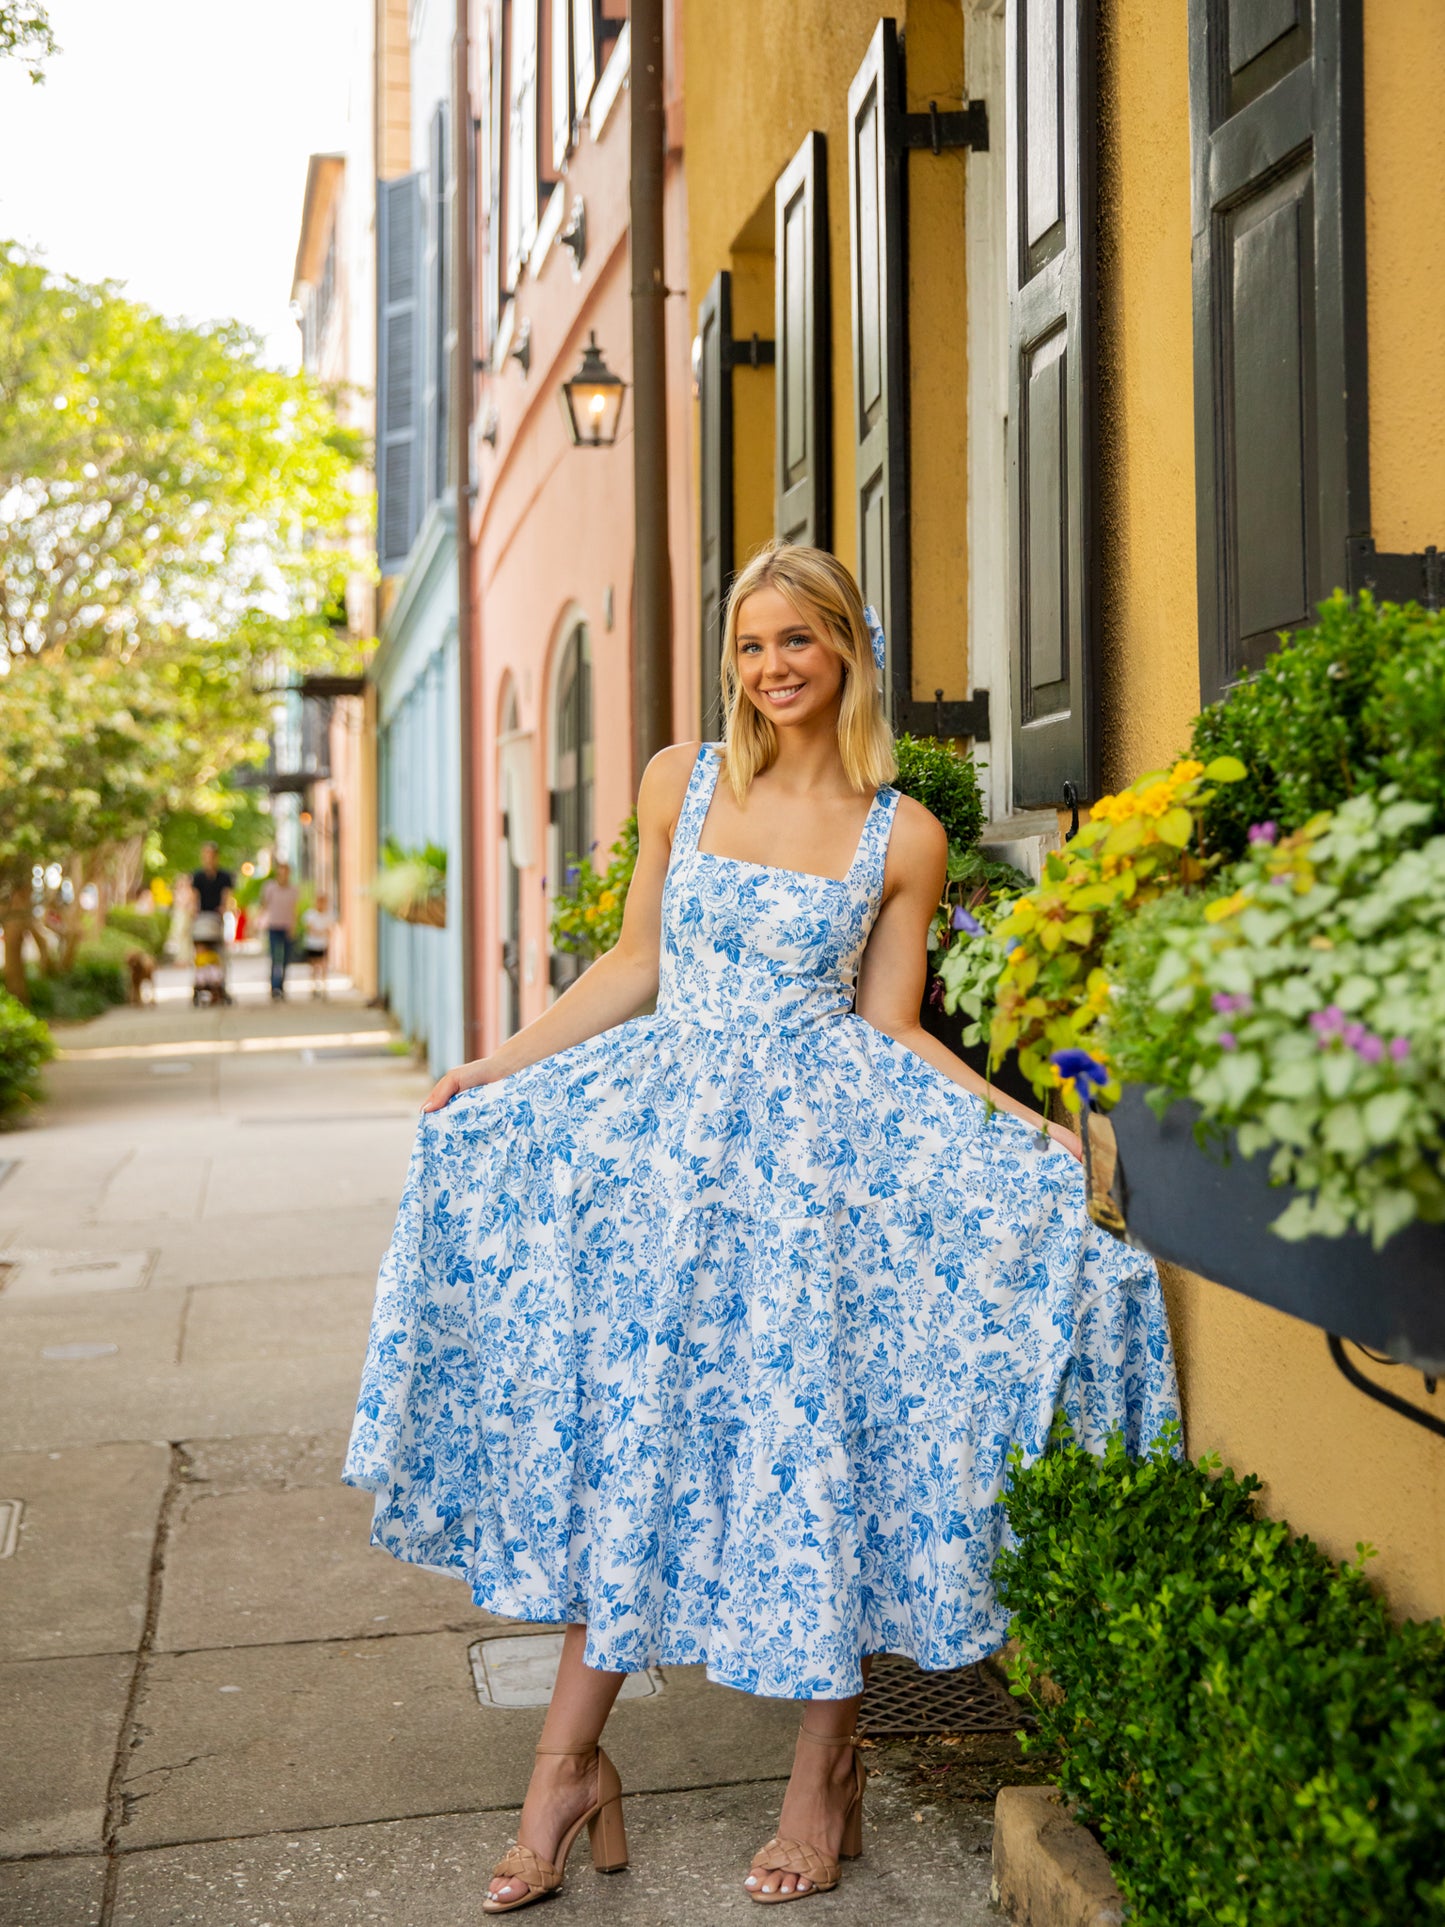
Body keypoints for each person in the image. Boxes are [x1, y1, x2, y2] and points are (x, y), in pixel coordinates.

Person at [344, 544, 1178, 1912]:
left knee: (817, 1445)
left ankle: (823, 1767)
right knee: (641, 1440)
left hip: (812, 1176)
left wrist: (1035, 1135)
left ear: (846, 647)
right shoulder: (682, 777)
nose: (771, 666)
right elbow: (632, 960)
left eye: (796, 640)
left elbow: (894, 1025)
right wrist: (499, 1064)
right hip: (668, 1155)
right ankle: (565, 1766)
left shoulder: (898, 832)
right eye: (749, 645)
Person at [257, 862, 301, 1002]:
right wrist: (259, 921)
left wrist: (294, 926)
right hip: (273, 926)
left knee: (286, 958)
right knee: (275, 957)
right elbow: (264, 905)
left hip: (287, 927)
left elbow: (295, 909)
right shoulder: (270, 888)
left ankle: (281, 985)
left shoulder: (294, 890)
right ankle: (274, 986)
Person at [301, 892, 335, 999]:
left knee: (323, 966)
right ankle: (314, 987)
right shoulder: (310, 914)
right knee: (313, 966)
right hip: (312, 944)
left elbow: (330, 929)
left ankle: (324, 988)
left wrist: (320, 931)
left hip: (323, 944)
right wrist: (320, 931)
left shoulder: (329, 915)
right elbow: (309, 928)